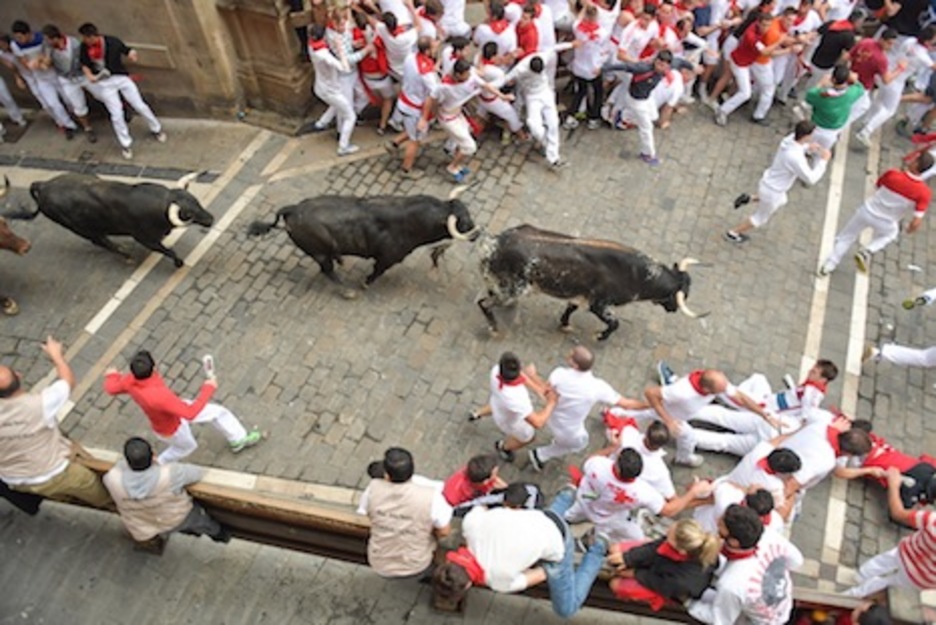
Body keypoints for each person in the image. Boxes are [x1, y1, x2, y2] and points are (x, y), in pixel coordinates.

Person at [432, 483, 609, 618]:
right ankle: (566, 496)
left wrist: (523, 557)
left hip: (559, 540)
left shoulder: (498, 581)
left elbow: (541, 574)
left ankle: (598, 549)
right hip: (539, 516)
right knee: (538, 523)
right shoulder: (470, 526)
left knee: (566, 609)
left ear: (468, 585)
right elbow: (482, 508)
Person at [0, 336, 111, 508]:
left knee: (59, 496)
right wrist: (56, 356)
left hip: (16, 478)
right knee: (93, 486)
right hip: (55, 470)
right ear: (19, 376)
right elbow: (67, 381)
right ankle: (111, 507)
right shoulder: (40, 404)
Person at [103, 350, 262, 465]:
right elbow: (190, 413)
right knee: (187, 447)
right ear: (154, 368)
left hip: (171, 411)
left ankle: (238, 438)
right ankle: (159, 463)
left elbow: (111, 389)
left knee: (217, 412)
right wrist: (208, 388)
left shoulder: (130, 381)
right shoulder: (159, 396)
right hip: (173, 427)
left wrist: (112, 375)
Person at [675, 359, 839, 458]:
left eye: (815, 372)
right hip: (771, 421)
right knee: (756, 381)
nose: (810, 371)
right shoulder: (821, 441)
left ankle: (686, 399)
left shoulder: (813, 397)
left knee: (728, 400)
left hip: (768, 416)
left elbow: (805, 414)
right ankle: (680, 428)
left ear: (823, 378)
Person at [524, 346, 647, 472]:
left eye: (571, 355)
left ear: (576, 365)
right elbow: (626, 404)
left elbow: (546, 392)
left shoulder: (559, 374)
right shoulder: (597, 387)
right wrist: (648, 405)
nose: (568, 355)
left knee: (570, 441)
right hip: (569, 428)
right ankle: (539, 455)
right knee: (579, 444)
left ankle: (552, 446)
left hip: (553, 416)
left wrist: (533, 376)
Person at [818, 150, 933, 276]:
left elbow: (878, 185)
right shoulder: (924, 193)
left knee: (847, 237)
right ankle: (868, 250)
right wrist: (911, 228)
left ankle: (830, 264)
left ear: (916, 164)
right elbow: (916, 221)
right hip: (887, 221)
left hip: (867, 211)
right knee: (890, 235)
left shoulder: (893, 174)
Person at [103, 437, 230, 548]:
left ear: (127, 461)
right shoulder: (170, 474)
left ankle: (191, 532)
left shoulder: (111, 478)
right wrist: (159, 464)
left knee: (173, 524)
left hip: (145, 524)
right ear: (153, 455)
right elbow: (197, 473)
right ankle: (220, 535)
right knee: (201, 520)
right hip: (179, 517)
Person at [688, 504, 804, 624]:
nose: (717, 524)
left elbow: (720, 620)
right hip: (783, 606)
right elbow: (797, 561)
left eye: (720, 528)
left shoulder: (731, 583)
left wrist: (690, 604)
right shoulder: (770, 535)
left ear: (734, 542)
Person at [564, 448, 711, 542]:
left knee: (573, 512)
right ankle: (590, 540)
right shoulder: (642, 492)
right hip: (608, 515)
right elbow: (669, 510)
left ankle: (566, 519)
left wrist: (613, 446)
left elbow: (591, 458)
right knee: (635, 537)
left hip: (586, 499)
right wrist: (693, 493)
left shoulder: (598, 465)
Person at [725, 121, 831, 243]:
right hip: (773, 191)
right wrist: (824, 161)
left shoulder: (788, 140)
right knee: (759, 218)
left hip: (768, 182)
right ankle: (733, 233)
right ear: (806, 136)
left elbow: (799, 146)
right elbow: (810, 178)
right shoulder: (796, 158)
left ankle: (750, 198)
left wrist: (807, 147)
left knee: (782, 200)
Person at [77, 22, 167, 160]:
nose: (84, 40)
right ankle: (126, 144)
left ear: (92, 36)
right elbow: (84, 64)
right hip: (105, 82)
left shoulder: (112, 42)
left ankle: (157, 129)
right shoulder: (84, 48)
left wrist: (132, 54)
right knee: (116, 114)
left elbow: (127, 50)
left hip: (120, 77)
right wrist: (90, 76)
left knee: (139, 105)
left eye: (85, 38)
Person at [361, 447, 452, 578]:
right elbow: (444, 531)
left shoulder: (372, 489)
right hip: (417, 563)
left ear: (386, 475)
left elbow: (368, 513)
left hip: (379, 562)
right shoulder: (431, 497)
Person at [845, 467, 936, 597]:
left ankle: (858, 581)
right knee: (889, 585)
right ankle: (855, 593)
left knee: (883, 562)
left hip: (907, 551)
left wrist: (894, 485)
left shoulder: (932, 520)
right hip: (922, 579)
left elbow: (898, 514)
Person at [427, 57, 513, 182]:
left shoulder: (471, 74)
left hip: (458, 115)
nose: (469, 76)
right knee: (470, 146)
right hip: (448, 119)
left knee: (465, 133)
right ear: (458, 74)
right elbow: (432, 100)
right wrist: (432, 115)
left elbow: (485, 85)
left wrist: (502, 96)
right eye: (466, 74)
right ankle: (452, 167)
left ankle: (455, 159)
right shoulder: (444, 87)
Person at [607, 518, 721, 610]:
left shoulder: (682, 582)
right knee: (615, 550)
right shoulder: (681, 540)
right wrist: (628, 558)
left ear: (681, 550)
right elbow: (655, 547)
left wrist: (634, 573)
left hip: (668, 589)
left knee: (616, 584)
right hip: (664, 566)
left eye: (669, 538)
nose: (666, 535)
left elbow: (658, 582)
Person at [469, 351, 559, 462]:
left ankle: (476, 413)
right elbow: (538, 423)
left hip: (497, 402)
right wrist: (551, 403)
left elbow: (520, 375)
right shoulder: (517, 398)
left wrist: (538, 389)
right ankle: (503, 447)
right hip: (510, 421)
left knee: (495, 405)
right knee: (528, 437)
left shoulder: (496, 370)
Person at [836, 420, 936, 514]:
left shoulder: (930, 467)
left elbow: (925, 457)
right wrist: (868, 471)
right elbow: (901, 513)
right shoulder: (911, 491)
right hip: (872, 463)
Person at [505, 42, 576, 169]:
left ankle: (554, 158)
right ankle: (546, 143)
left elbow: (554, 47)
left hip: (546, 93)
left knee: (553, 123)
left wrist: (572, 44)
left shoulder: (543, 56)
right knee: (534, 124)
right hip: (532, 97)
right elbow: (504, 79)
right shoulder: (520, 69)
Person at [306, 24, 372, 156]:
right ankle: (343, 146)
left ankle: (322, 123)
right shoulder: (323, 54)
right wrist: (341, 49)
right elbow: (344, 67)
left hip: (322, 86)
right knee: (350, 116)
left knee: (337, 105)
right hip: (330, 89)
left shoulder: (311, 45)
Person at [9, 20, 79, 139]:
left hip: (55, 74)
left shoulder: (42, 39)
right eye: (17, 37)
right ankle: (68, 125)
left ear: (28, 33)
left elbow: (49, 56)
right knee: (52, 104)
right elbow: (25, 62)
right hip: (40, 78)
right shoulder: (15, 45)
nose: (19, 40)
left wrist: (41, 61)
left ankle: (77, 117)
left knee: (69, 99)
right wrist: (36, 64)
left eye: (21, 37)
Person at [603, 50, 674, 165]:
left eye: (664, 66)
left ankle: (622, 116)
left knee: (654, 116)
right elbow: (624, 66)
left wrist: (692, 66)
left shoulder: (669, 68)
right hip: (636, 101)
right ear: (655, 61)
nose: (660, 68)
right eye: (659, 64)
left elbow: (682, 63)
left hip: (647, 98)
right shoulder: (643, 68)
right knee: (647, 127)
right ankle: (647, 154)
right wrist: (604, 68)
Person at [384, 36, 440, 179]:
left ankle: (394, 143)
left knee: (411, 130)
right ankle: (406, 169)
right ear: (427, 51)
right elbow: (431, 96)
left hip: (404, 101)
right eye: (434, 46)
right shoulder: (427, 75)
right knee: (414, 141)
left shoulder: (410, 57)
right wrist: (424, 118)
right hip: (414, 109)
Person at [41, 24, 96, 143]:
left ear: (55, 38)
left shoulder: (74, 42)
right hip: (67, 80)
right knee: (78, 106)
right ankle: (88, 128)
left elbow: (84, 58)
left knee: (102, 93)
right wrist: (46, 62)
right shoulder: (48, 48)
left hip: (82, 75)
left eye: (48, 39)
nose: (47, 42)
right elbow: (46, 63)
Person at [441, 453, 508, 514]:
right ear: (485, 481)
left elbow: (497, 482)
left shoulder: (475, 470)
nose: (496, 477)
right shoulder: (452, 496)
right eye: (494, 475)